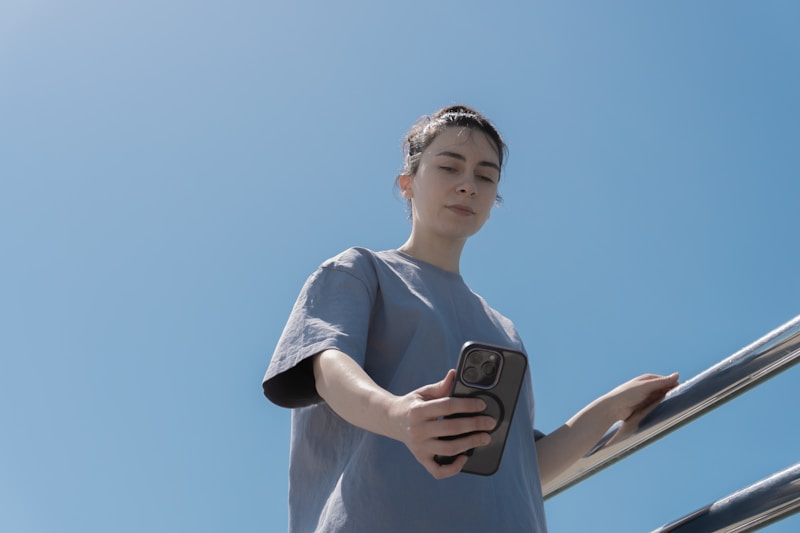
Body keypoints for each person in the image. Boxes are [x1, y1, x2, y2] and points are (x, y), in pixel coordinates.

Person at [262, 105, 679, 532]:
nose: (468, 186)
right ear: (407, 183)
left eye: (485, 176)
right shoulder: (359, 271)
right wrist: (398, 415)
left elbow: (519, 467)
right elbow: (328, 368)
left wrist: (611, 407)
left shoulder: (504, 331)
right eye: (449, 167)